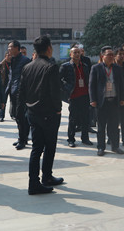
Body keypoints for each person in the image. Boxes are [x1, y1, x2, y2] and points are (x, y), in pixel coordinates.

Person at [18, 36, 63, 195]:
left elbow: (21, 92)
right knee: (49, 147)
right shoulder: (51, 67)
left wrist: (21, 111)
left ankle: (37, 180)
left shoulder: (27, 67)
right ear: (49, 48)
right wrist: (58, 109)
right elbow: (55, 92)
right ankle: (44, 178)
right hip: (48, 113)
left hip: (32, 112)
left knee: (36, 149)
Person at [89, 46, 124, 156]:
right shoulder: (96, 68)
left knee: (114, 126)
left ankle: (115, 146)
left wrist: (122, 98)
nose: (111, 57)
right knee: (101, 126)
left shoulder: (117, 68)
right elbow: (91, 85)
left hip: (114, 101)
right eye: (108, 55)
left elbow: (121, 85)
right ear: (102, 56)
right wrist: (93, 99)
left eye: (112, 55)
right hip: (101, 102)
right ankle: (101, 147)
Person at [60, 45, 92, 148]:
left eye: (79, 52)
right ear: (70, 54)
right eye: (75, 52)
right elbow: (59, 80)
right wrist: (66, 88)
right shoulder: (65, 66)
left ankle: (85, 138)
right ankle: (71, 139)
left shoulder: (85, 66)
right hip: (73, 96)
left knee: (85, 118)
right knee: (73, 119)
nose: (77, 54)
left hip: (85, 95)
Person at [6, 40, 32, 150]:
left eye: (10, 47)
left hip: (21, 93)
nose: (9, 49)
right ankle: (22, 137)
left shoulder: (25, 60)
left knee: (21, 117)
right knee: (16, 116)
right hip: (13, 91)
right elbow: (11, 76)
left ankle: (23, 139)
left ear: (17, 48)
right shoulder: (12, 60)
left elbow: (28, 77)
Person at [0, 52, 11, 122]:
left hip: (11, 84)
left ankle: (12, 114)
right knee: (3, 101)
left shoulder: (14, 63)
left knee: (13, 101)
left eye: (10, 55)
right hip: (4, 85)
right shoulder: (1, 65)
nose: (9, 57)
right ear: (5, 56)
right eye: (8, 55)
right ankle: (1, 116)